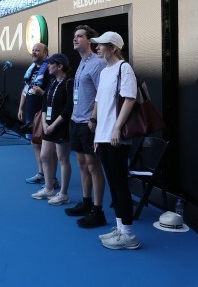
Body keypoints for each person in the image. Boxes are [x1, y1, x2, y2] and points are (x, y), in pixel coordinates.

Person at [90, 31, 140, 249]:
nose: (97, 48)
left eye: (101, 45)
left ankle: (128, 234)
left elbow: (130, 98)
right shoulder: (104, 72)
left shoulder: (124, 68)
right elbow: (100, 104)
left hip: (116, 137)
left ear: (114, 48)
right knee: (113, 183)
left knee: (120, 185)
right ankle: (120, 228)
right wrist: (98, 135)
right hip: (104, 137)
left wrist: (117, 128)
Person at [66, 25, 108, 229]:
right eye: (74, 36)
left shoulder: (98, 63)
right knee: (82, 163)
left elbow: (103, 94)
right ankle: (86, 202)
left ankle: (98, 211)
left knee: (93, 166)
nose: (75, 39)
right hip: (77, 121)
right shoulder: (82, 63)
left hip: (89, 123)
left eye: (79, 36)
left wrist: (93, 119)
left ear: (89, 41)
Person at [31, 53, 73, 205]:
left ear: (60, 66)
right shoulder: (52, 82)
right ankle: (49, 189)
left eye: (50, 63)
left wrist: (54, 124)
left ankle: (64, 194)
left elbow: (69, 108)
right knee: (44, 156)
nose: (48, 66)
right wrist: (44, 124)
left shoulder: (69, 82)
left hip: (61, 127)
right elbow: (44, 104)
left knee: (63, 159)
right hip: (48, 126)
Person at [18, 43, 52, 186]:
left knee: (46, 146)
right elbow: (26, 89)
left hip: (43, 112)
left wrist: (42, 93)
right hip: (31, 112)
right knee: (34, 143)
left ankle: (51, 178)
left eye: (37, 50)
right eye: (33, 50)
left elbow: (53, 93)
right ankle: (40, 173)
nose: (34, 52)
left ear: (45, 53)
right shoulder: (31, 69)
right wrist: (21, 108)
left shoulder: (50, 69)